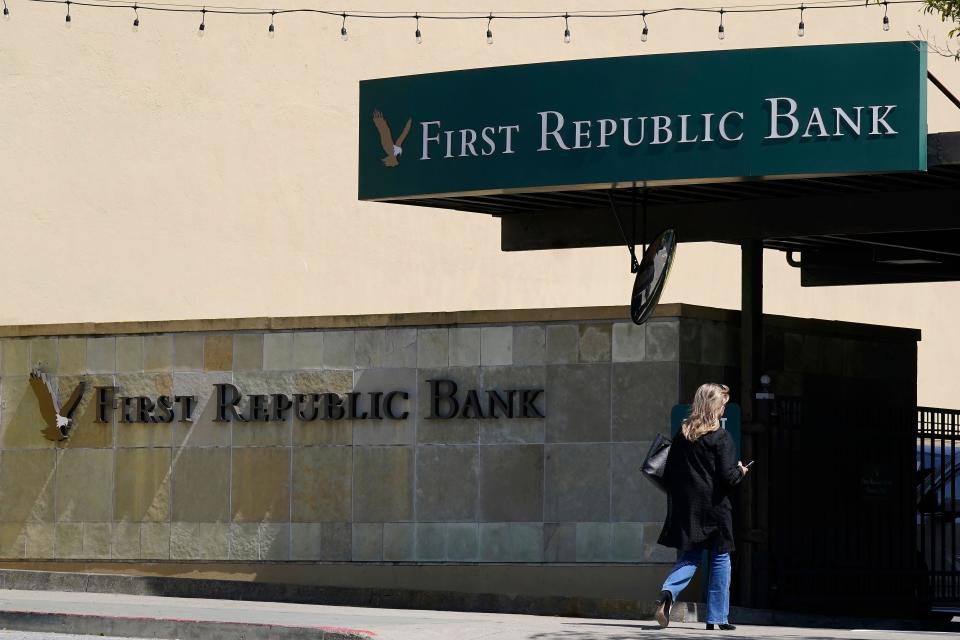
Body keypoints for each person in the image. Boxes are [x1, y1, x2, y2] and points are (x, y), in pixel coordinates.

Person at [654, 382, 749, 631]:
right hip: (716, 508)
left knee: (689, 556)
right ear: (714, 406)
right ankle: (717, 617)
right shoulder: (721, 438)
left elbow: (672, 471)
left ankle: (667, 593)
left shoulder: (683, 435)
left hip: (689, 507)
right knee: (720, 558)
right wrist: (741, 471)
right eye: (722, 405)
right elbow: (728, 478)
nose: (724, 410)